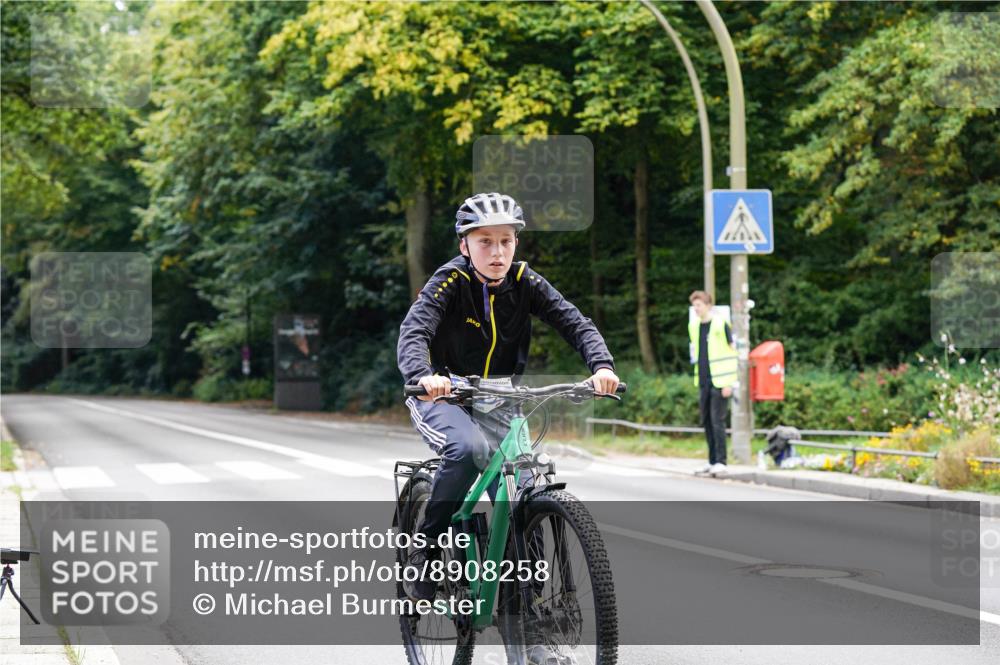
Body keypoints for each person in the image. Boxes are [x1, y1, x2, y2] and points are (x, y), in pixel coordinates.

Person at [397, 192, 619, 602]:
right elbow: (415, 331)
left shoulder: (525, 281)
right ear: (465, 245)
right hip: (445, 394)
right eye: (485, 241)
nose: (497, 252)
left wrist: (601, 366)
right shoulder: (449, 281)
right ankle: (425, 552)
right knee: (466, 450)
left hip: (503, 396)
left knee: (523, 487)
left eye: (506, 241)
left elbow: (574, 321)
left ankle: (525, 601)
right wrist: (423, 375)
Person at [688, 290, 737, 475]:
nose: (696, 309)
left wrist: (730, 383)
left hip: (720, 380)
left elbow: (732, 354)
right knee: (707, 421)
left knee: (718, 421)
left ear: (708, 305)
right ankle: (711, 460)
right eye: (694, 306)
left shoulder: (720, 324)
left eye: (699, 305)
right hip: (703, 380)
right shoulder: (694, 325)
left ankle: (721, 461)